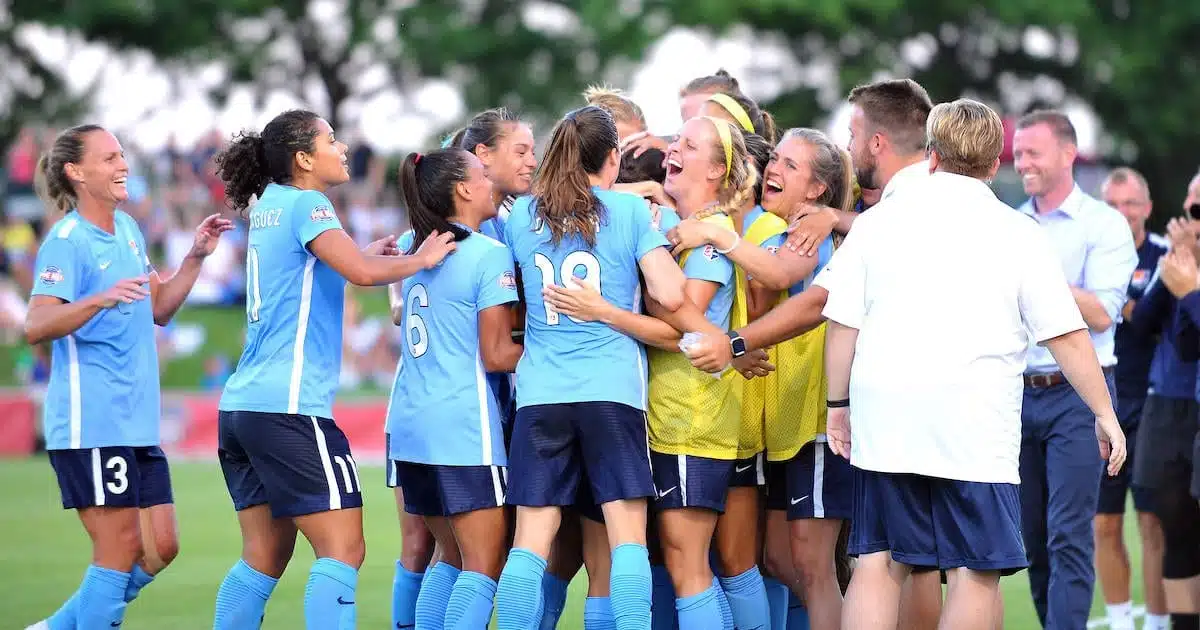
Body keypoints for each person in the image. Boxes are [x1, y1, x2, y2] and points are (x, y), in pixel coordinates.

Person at [818, 98, 1127, 630]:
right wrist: (1105, 412)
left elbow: (842, 323)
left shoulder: (877, 223)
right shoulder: (1019, 232)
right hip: (975, 423)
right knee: (975, 572)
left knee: (877, 562)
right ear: (992, 165)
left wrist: (837, 405)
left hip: (887, 412)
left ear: (931, 156)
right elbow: (1068, 336)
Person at [208, 109, 456, 630]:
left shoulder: (270, 205)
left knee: (263, 557)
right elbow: (364, 273)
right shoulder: (308, 202)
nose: (342, 148)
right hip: (289, 409)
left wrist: (358, 253)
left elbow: (315, 271)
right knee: (344, 549)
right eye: (331, 140)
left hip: (242, 408)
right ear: (303, 159)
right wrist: (421, 259)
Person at [547, 115, 766, 630]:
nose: (673, 152)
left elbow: (675, 312)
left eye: (688, 147)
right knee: (671, 559)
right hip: (665, 415)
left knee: (688, 562)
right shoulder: (671, 225)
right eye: (675, 143)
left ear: (717, 170)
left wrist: (604, 310)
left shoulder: (710, 238)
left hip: (693, 417)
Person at [24, 124, 232, 630]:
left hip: (136, 420)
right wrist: (98, 297)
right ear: (76, 172)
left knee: (161, 547)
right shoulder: (67, 240)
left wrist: (193, 259)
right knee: (118, 552)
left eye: (123, 156)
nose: (123, 166)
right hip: (92, 420)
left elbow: (157, 308)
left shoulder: (130, 231)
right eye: (111, 157)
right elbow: (37, 324)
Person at [493, 105, 688, 630]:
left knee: (529, 544)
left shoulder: (519, 217)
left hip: (539, 394)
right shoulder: (626, 215)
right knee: (627, 540)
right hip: (611, 391)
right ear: (612, 157)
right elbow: (670, 293)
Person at [663, 127, 855, 630]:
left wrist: (717, 236)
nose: (776, 168)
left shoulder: (805, 226)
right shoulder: (776, 221)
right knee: (778, 560)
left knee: (812, 568)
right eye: (779, 160)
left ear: (817, 189)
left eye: (793, 166)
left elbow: (775, 279)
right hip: (782, 417)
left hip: (817, 413)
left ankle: (871, 604)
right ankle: (866, 599)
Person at [387, 148, 524, 629]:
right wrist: (563, 351)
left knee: (448, 557)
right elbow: (498, 355)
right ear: (464, 189)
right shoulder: (487, 253)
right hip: (463, 427)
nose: (493, 184)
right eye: (484, 175)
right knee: (485, 566)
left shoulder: (417, 244)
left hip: (411, 424)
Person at [1012, 109, 1138, 629]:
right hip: (1018, 394)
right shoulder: (1012, 223)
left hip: (1078, 395)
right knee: (1032, 540)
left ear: (1067, 153)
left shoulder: (1104, 225)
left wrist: (1038, 276)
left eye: (1031, 152)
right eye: (1017, 153)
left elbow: (1103, 313)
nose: (1022, 163)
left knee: (1068, 533)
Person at [1097, 167, 1170, 630]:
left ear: (1147, 207)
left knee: (1151, 522)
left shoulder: (1166, 254)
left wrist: (1115, 304)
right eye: (1113, 205)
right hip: (1103, 406)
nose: (1122, 214)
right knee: (1102, 524)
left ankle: (1161, 621)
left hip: (1152, 406)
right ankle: (1121, 621)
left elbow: (1149, 321)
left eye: (1131, 204)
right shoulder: (1093, 255)